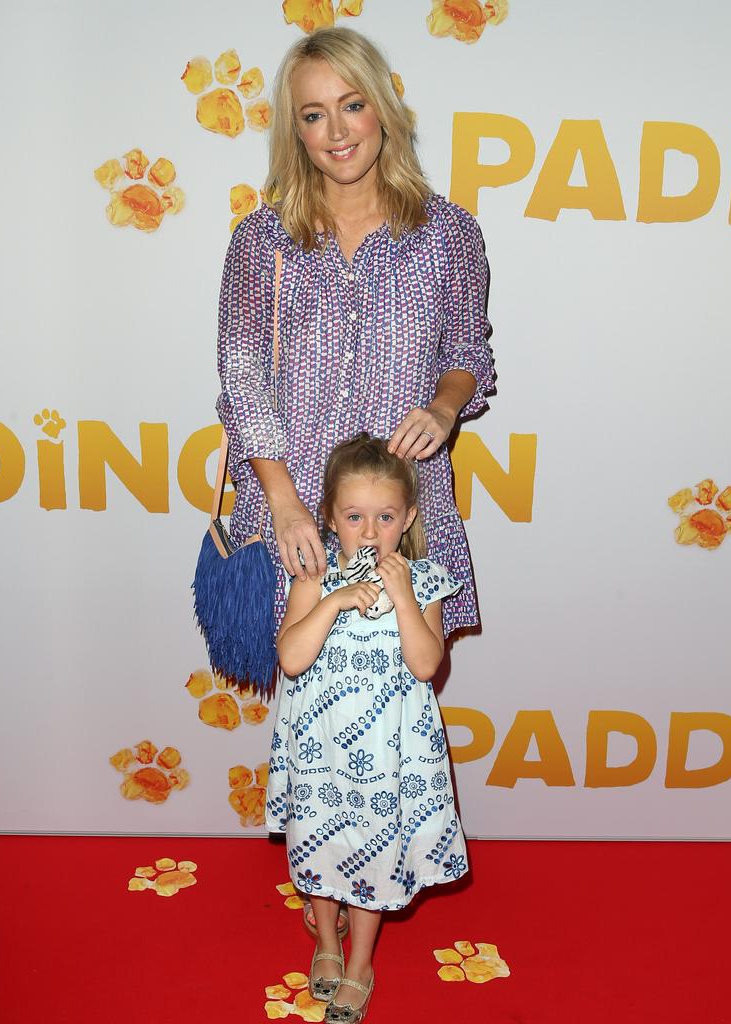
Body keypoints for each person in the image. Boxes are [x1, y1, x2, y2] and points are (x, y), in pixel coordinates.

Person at [215, 20, 494, 951]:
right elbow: (242, 371)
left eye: (352, 105)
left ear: (384, 108)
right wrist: (286, 499)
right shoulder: (263, 242)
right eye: (312, 115)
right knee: (311, 712)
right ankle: (322, 901)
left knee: (389, 709)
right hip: (300, 513)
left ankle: (367, 892)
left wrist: (448, 409)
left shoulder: (449, 235)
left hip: (399, 517)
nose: (336, 131)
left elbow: (467, 356)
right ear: (293, 132)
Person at [267, 433, 468, 1022]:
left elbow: (427, 665)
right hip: (320, 750)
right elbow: (292, 658)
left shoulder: (425, 580)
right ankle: (326, 943)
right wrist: (330, 603)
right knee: (320, 846)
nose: (371, 531)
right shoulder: (313, 575)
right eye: (355, 517)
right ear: (331, 516)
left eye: (385, 517)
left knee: (374, 859)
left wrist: (404, 597)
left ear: (407, 518)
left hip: (389, 754)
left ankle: (359, 962)